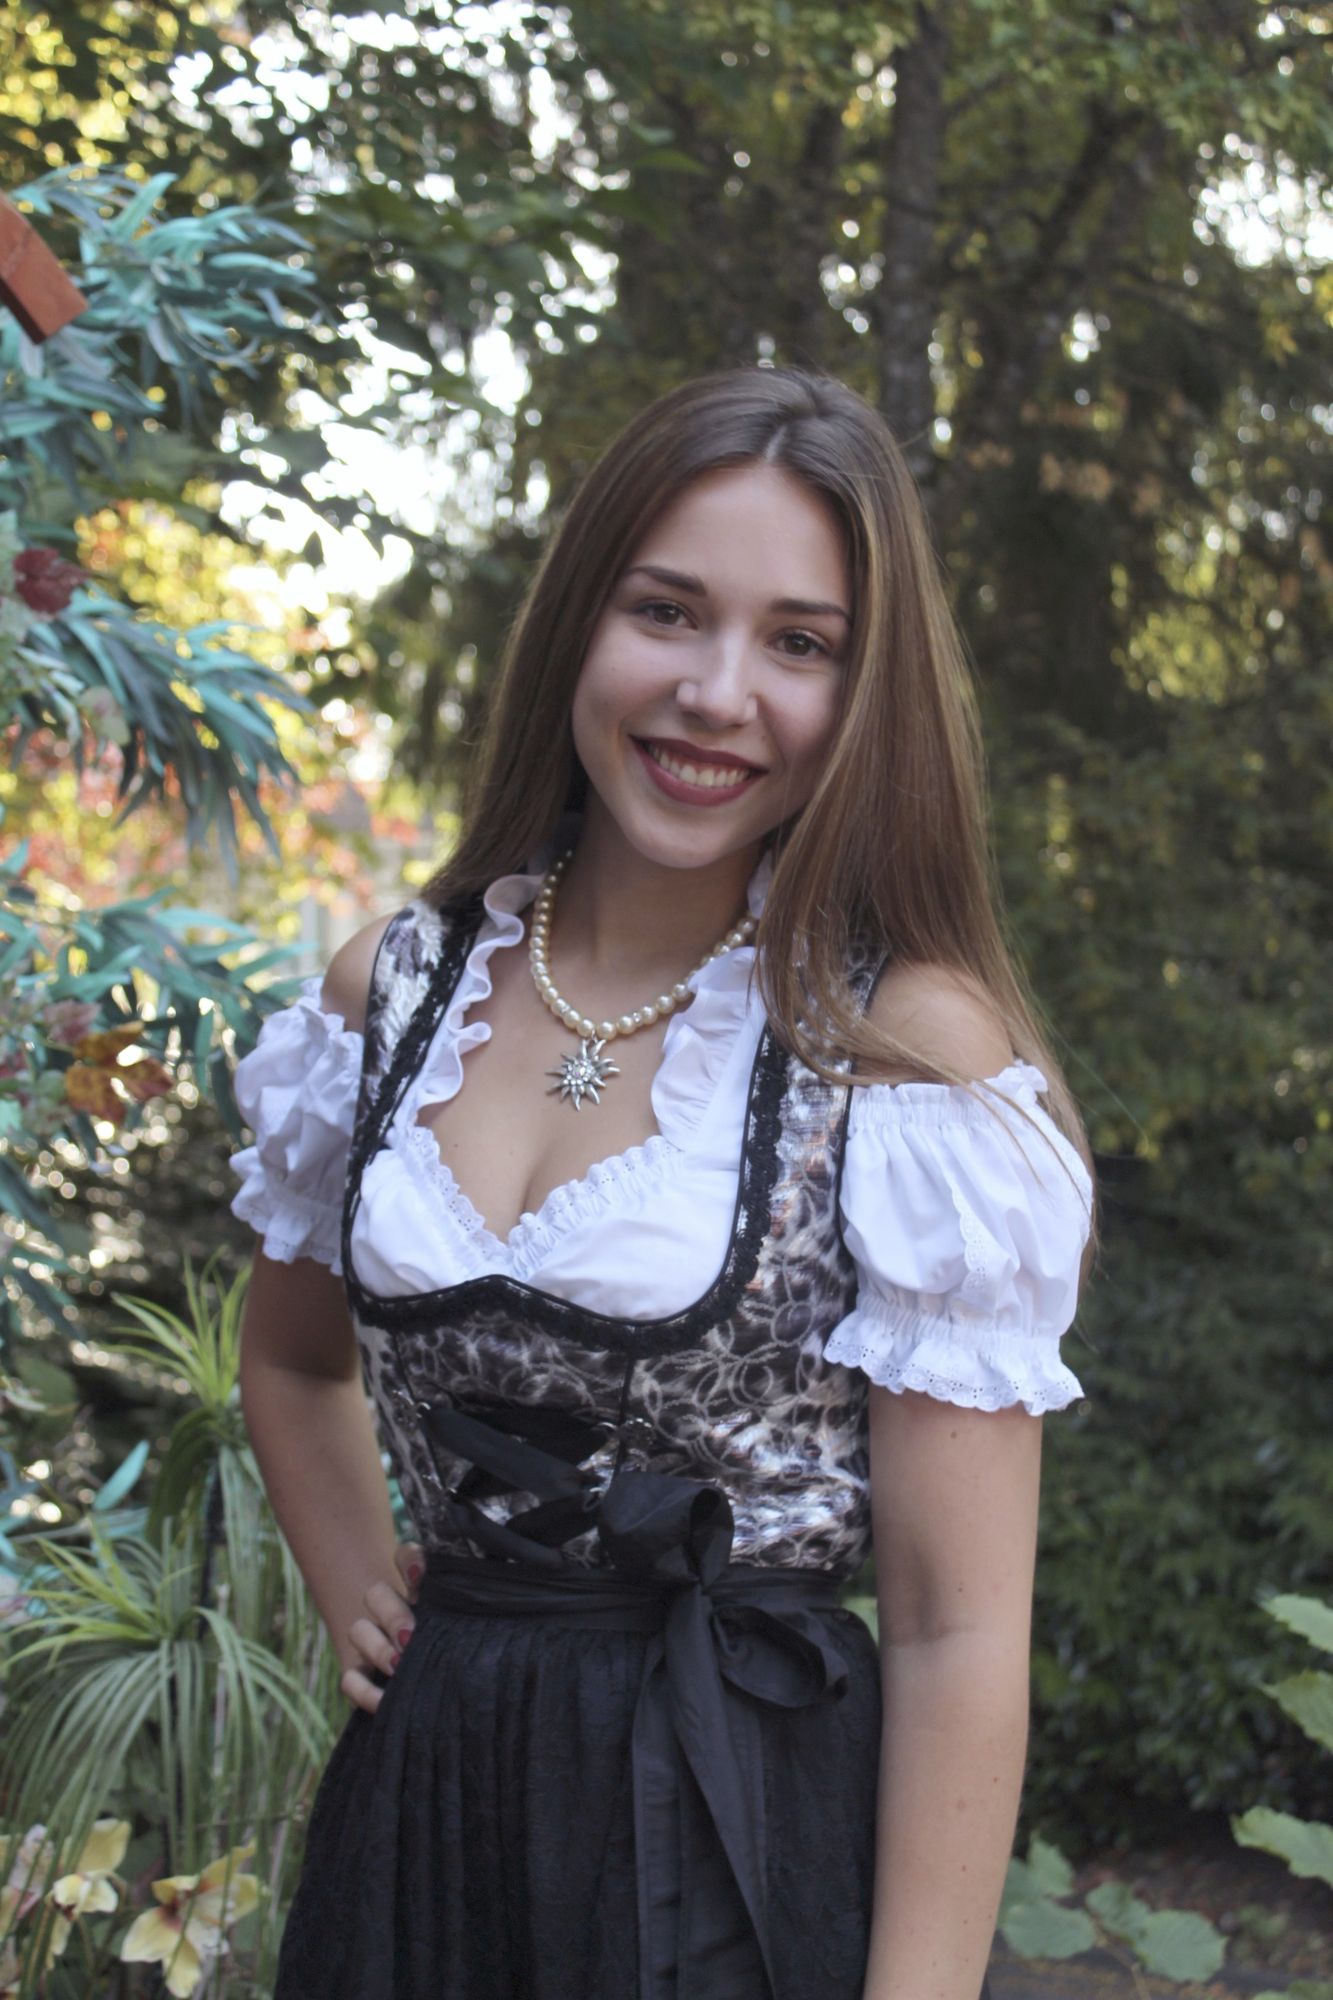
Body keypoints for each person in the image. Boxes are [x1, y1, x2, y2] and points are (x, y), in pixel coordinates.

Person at [230, 366, 1096, 2000]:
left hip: (730, 1829)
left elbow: (955, 1629)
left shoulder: (899, 1052)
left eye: (799, 643)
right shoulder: (391, 993)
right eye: (666, 611)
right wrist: (359, 1587)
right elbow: (289, 1358)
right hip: (425, 1819)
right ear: (580, 621)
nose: (714, 693)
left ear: (865, 693)